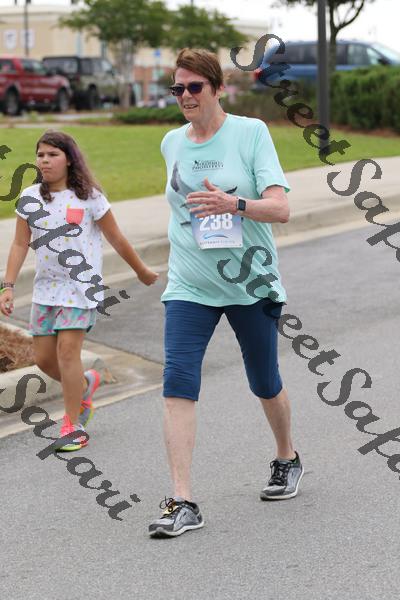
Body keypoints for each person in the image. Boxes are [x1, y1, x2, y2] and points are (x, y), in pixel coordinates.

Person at [148, 48, 303, 538]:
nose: (185, 96)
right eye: (178, 88)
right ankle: (182, 500)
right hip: (189, 283)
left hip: (249, 282)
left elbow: (280, 210)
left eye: (194, 87)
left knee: (264, 379)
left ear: (217, 89)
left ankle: (286, 456)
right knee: (177, 380)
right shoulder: (171, 142)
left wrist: (233, 204)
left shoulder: (251, 133)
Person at [0, 130, 158, 451]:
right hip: (46, 290)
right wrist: (8, 285)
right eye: (40, 155)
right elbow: (19, 243)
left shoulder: (90, 197)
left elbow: (116, 238)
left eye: (52, 155)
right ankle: (85, 383)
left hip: (81, 288)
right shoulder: (30, 197)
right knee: (45, 360)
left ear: (69, 159)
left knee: (68, 354)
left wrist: (141, 270)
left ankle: (72, 425)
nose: (44, 161)